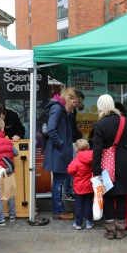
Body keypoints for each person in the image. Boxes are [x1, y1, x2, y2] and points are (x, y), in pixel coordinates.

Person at [92, 94, 127, 239]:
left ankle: (109, 230)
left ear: (100, 106)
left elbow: (97, 150)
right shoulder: (125, 122)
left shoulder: (99, 124)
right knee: (121, 196)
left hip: (106, 164)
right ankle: (120, 230)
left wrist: (96, 170)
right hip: (125, 163)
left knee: (108, 197)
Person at [43, 87, 78, 220]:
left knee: (59, 181)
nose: (75, 105)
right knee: (58, 182)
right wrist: (61, 143)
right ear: (69, 99)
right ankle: (58, 211)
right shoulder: (57, 108)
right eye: (74, 102)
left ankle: (59, 210)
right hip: (58, 151)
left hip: (60, 151)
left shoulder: (61, 108)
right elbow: (51, 129)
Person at [115, 102, 127, 230]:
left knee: (112, 198)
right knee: (126, 197)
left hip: (109, 163)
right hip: (126, 161)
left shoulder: (103, 123)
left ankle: (112, 224)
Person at [67, 139, 94, 230]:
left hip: (78, 187)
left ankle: (78, 224)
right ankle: (89, 223)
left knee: (78, 205)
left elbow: (70, 170)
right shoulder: (93, 157)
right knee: (88, 205)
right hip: (89, 186)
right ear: (88, 147)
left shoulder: (76, 160)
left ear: (77, 149)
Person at [64, 89, 85, 201]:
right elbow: (71, 128)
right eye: (79, 102)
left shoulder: (73, 111)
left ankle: (69, 190)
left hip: (72, 140)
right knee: (70, 166)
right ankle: (68, 191)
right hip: (70, 141)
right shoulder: (68, 111)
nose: (79, 105)